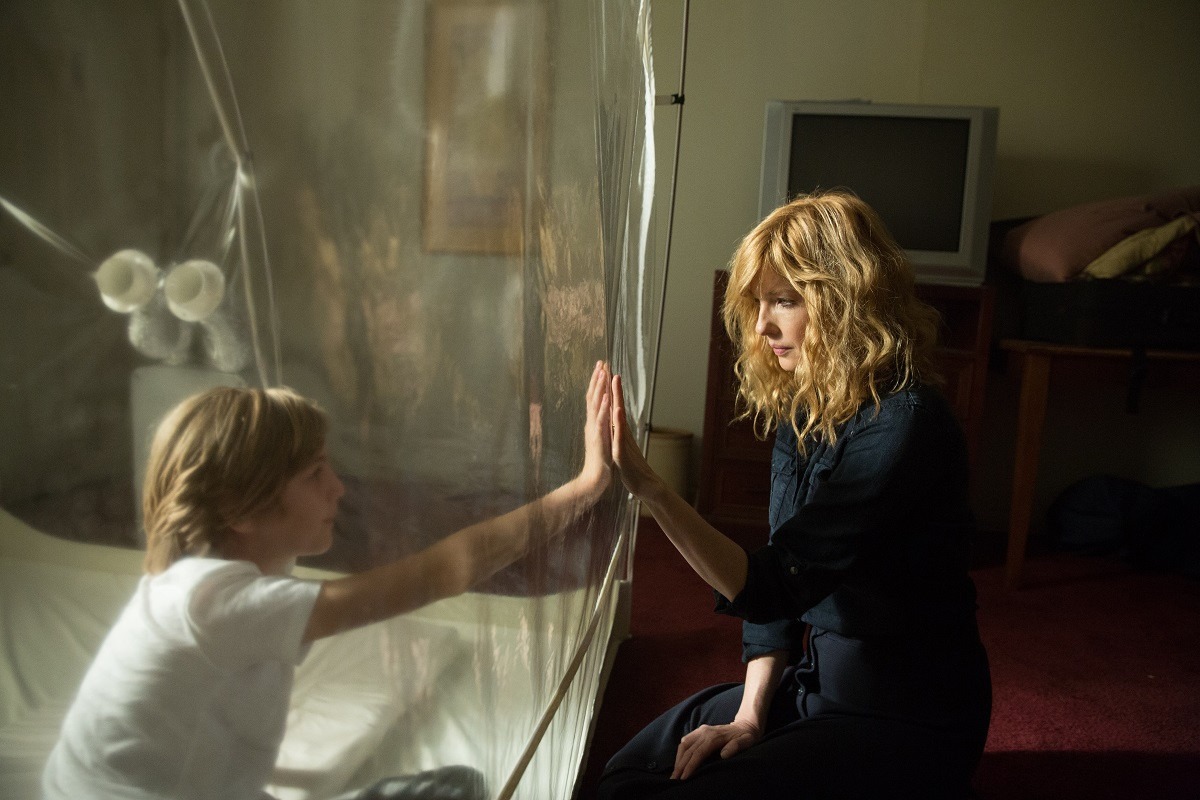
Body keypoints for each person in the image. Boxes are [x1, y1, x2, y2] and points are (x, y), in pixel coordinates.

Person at [42, 361, 614, 800]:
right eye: (315, 474)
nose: (338, 488)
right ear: (240, 510)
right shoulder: (208, 600)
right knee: (455, 791)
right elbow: (449, 570)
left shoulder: (205, 584)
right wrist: (586, 486)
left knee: (457, 785)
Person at [598, 191, 992, 799]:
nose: (762, 326)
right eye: (758, 303)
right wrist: (750, 717)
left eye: (783, 300)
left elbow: (772, 584)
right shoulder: (807, 411)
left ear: (844, 302)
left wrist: (650, 487)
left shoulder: (905, 424)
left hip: (906, 714)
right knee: (628, 775)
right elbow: (776, 596)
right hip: (816, 687)